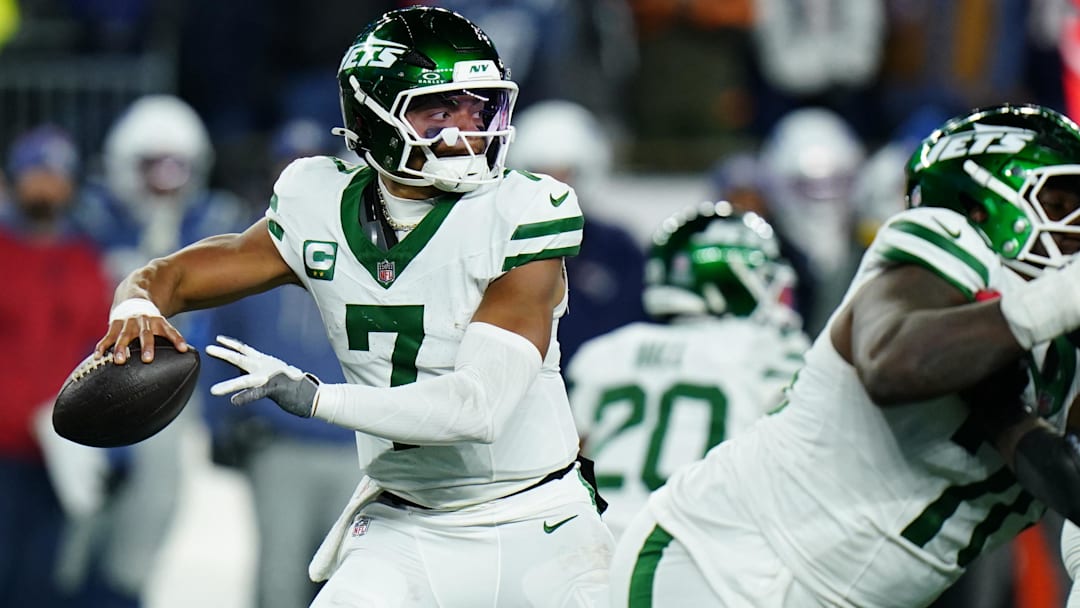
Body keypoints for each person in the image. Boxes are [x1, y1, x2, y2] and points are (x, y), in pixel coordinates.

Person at [94, 6, 612, 607]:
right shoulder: (317, 202)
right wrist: (134, 303)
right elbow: (180, 276)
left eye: (481, 108)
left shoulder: (522, 211)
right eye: (440, 111)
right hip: (406, 524)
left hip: (537, 520)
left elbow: (479, 408)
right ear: (373, 117)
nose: (470, 130)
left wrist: (317, 398)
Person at [608, 102, 1080, 607]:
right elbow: (892, 362)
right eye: (1059, 203)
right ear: (981, 203)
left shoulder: (1059, 345)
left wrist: (1013, 415)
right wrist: (1059, 298)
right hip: (729, 565)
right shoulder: (944, 245)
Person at [69, 94, 250, 607]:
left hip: (167, 392)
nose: (168, 177)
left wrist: (218, 417)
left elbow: (219, 321)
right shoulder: (95, 221)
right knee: (78, 515)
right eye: (155, 164)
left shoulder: (212, 221)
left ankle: (123, 591)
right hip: (94, 380)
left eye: (178, 164)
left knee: (155, 507)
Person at [566, 201, 809, 540]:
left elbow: (571, 455)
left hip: (598, 536)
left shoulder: (604, 353)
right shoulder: (766, 349)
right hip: (697, 540)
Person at [200, 117, 360, 608]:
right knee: (280, 580)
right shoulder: (251, 249)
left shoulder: (374, 245)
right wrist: (223, 425)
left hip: (358, 443)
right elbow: (218, 344)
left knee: (357, 584)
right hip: (281, 443)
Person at [0, 125, 111, 607]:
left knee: (44, 580)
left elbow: (103, 350)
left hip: (61, 450)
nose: (45, 186)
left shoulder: (87, 259)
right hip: (1, 449)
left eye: (56, 175)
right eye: (35, 174)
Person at [508, 99, 647, 367]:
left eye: (565, 173)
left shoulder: (618, 248)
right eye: (544, 174)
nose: (555, 187)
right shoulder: (496, 246)